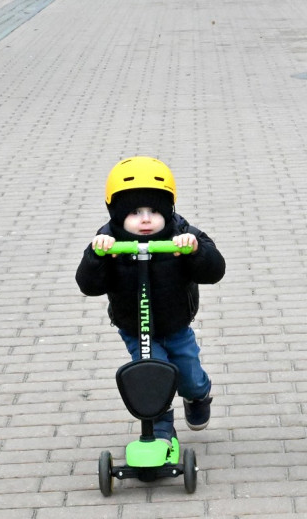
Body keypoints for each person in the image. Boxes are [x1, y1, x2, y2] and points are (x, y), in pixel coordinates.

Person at [75, 156, 225, 444]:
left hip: (176, 324)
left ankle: (199, 395)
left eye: (154, 211)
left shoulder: (184, 235)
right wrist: (97, 256)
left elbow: (214, 271)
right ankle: (160, 428)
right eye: (134, 212)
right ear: (117, 215)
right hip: (135, 328)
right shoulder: (107, 242)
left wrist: (195, 251)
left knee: (189, 376)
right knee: (151, 376)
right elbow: (89, 285)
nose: (145, 219)